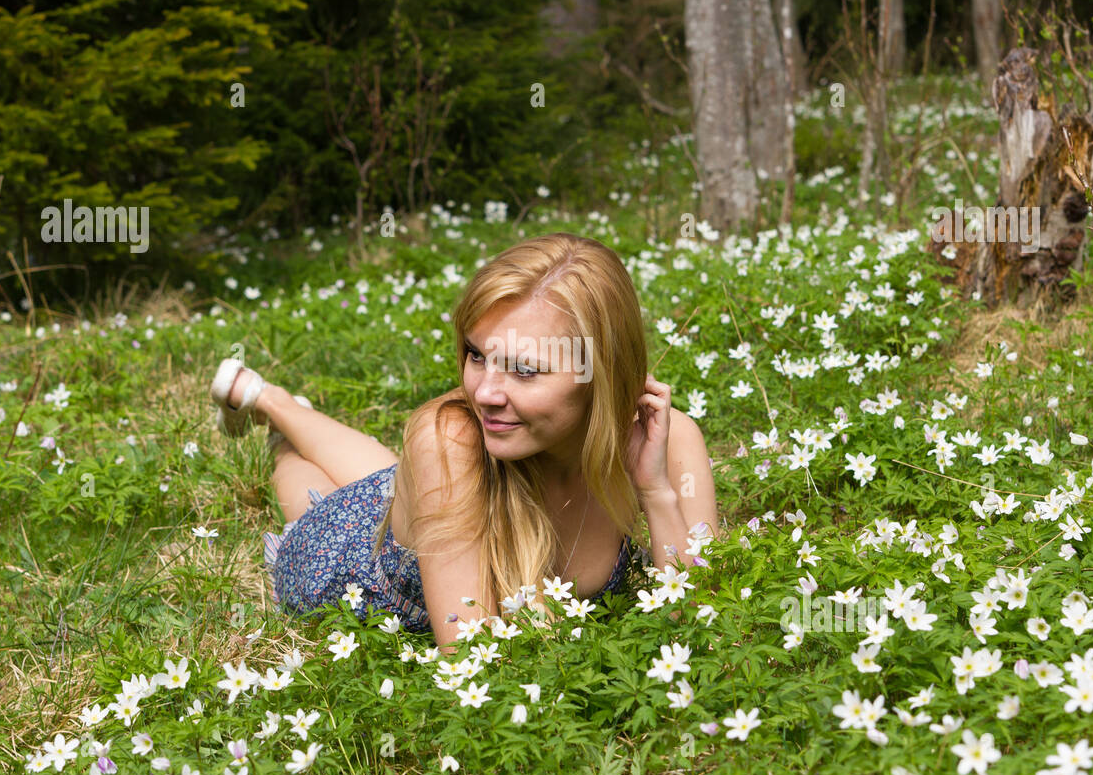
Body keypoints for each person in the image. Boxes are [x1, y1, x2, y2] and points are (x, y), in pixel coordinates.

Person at [210, 232, 720, 650]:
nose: (484, 393)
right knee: (311, 497)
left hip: (425, 499)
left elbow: (705, 624)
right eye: (477, 355)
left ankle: (276, 405)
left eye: (524, 370)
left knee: (386, 474)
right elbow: (471, 655)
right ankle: (275, 415)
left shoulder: (667, 442)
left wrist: (655, 492)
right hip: (347, 561)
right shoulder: (452, 437)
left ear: (600, 376)